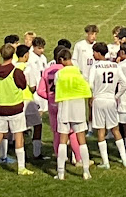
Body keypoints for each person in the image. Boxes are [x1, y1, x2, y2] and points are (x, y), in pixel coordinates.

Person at [0, 43, 33, 176]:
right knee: (19, 136)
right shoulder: (16, 71)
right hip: (15, 108)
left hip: (1, 107)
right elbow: (23, 85)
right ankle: (21, 167)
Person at [89, 42, 126, 169]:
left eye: (94, 52)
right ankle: (124, 159)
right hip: (111, 100)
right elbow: (125, 84)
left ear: (98, 53)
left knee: (101, 130)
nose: (93, 54)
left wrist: (92, 95)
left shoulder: (95, 67)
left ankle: (105, 162)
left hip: (99, 100)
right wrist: (116, 96)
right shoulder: (115, 66)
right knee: (115, 129)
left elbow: (90, 84)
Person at [37, 45, 82, 163]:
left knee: (57, 133)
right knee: (72, 132)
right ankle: (78, 158)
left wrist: (50, 98)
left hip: (53, 105)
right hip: (65, 102)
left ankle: (60, 158)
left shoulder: (47, 71)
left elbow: (40, 91)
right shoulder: (66, 70)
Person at [54, 47, 92, 180]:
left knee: (63, 141)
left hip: (65, 108)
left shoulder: (59, 73)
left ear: (62, 60)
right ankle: (86, 171)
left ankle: (61, 173)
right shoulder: (79, 72)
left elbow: (56, 86)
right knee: (82, 140)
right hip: (78, 108)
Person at [16, 44, 48, 160]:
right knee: (37, 125)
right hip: (27, 100)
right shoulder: (28, 68)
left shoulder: (13, 66)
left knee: (18, 128)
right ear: (26, 55)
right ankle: (36, 152)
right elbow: (33, 86)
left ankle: (17, 152)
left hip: (15, 100)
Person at [28, 37, 48, 113]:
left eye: (43, 48)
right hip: (35, 87)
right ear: (33, 47)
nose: (42, 50)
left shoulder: (43, 58)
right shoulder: (30, 58)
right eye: (39, 48)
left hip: (43, 85)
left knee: (43, 107)